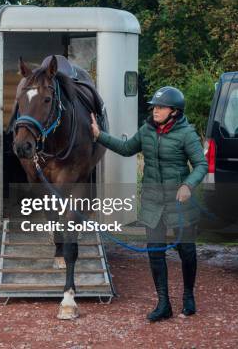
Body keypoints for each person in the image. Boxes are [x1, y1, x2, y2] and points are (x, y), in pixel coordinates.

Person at [90, 86, 208, 322]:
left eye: (161, 107)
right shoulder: (146, 130)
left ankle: (188, 295)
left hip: (179, 203)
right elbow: (125, 149)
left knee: (187, 251)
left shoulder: (187, 134)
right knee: (155, 253)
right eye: (154, 106)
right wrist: (99, 135)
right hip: (153, 203)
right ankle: (163, 303)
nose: (155, 110)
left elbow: (201, 165)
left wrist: (188, 185)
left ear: (174, 111)